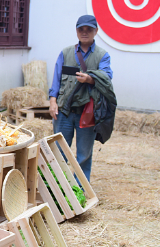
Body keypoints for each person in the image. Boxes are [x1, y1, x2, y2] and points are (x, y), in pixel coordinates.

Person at [48, 14, 113, 181]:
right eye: (81, 29)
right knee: (59, 151)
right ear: (76, 31)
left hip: (88, 113)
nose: (85, 32)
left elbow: (107, 77)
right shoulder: (65, 53)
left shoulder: (102, 55)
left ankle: (81, 188)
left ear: (96, 31)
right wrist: (53, 101)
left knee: (84, 154)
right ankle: (58, 186)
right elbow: (56, 79)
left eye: (89, 29)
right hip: (64, 111)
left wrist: (90, 79)